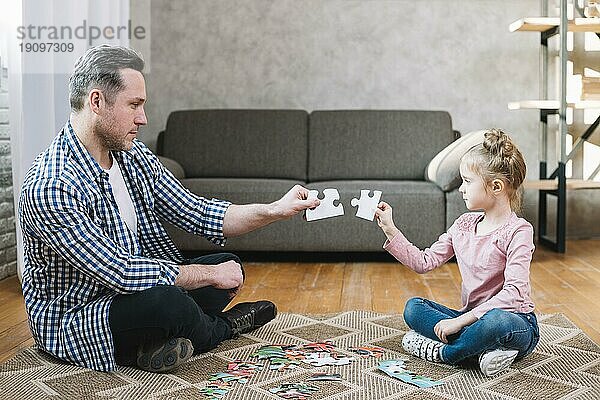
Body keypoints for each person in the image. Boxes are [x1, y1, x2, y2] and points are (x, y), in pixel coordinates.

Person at [18, 45, 319, 373]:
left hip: (137, 289)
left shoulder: (130, 155)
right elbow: (120, 273)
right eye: (134, 105)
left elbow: (200, 213)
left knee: (226, 264)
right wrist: (205, 276)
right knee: (171, 301)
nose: (143, 118)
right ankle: (222, 328)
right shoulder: (50, 185)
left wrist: (277, 209)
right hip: (79, 316)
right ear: (96, 102)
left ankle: (152, 345)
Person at [374, 128, 539, 376]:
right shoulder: (463, 224)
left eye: (468, 181)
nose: (461, 189)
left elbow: (514, 294)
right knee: (413, 308)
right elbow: (424, 261)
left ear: (496, 186)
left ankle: (446, 353)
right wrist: (390, 229)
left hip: (515, 323)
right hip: (471, 320)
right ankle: (482, 351)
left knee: (495, 322)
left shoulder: (519, 231)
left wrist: (459, 322)